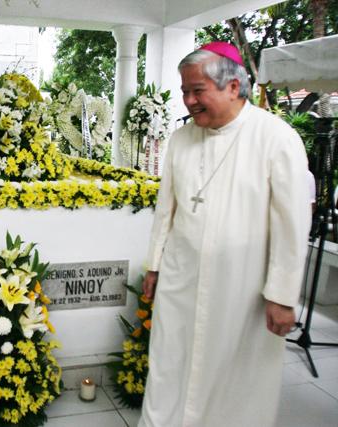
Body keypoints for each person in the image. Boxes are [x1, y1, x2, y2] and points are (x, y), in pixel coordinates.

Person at [138, 42, 311, 427]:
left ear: (234, 86)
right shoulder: (181, 140)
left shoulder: (277, 138)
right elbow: (167, 209)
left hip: (242, 290)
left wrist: (282, 296)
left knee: (236, 381)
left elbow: (292, 224)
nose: (188, 101)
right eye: (184, 91)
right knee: (169, 366)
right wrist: (154, 265)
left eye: (197, 90)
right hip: (181, 281)